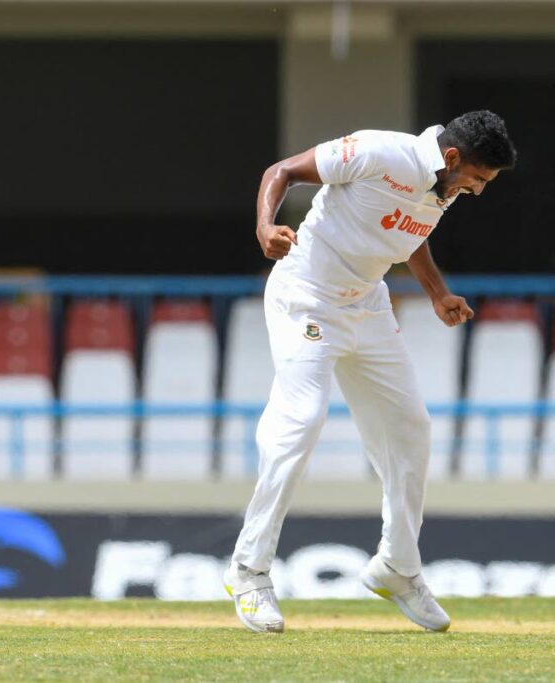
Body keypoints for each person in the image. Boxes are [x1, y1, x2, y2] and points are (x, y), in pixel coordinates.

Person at [223, 111, 517, 633]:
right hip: (306, 296)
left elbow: (407, 234)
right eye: (478, 179)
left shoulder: (441, 184)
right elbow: (282, 171)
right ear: (453, 158)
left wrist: (437, 293)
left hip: (368, 303)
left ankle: (397, 568)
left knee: (411, 431)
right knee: (301, 421)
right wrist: (265, 226)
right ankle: (249, 571)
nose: (478, 190)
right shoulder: (381, 152)